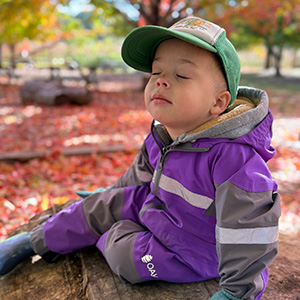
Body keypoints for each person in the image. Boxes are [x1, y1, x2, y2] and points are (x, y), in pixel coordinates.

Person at [0, 16, 280, 300]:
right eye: (156, 72)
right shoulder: (163, 136)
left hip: (191, 251)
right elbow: (137, 178)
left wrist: (238, 292)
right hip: (157, 210)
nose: (161, 81)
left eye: (181, 75)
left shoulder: (235, 160)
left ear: (218, 102)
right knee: (101, 204)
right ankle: (31, 243)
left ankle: (99, 235)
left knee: (124, 257)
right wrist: (108, 198)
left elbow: (250, 232)